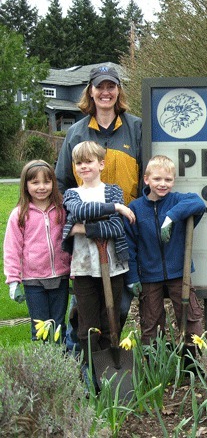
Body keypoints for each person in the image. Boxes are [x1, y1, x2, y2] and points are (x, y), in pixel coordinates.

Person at [55, 65, 142, 352]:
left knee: (119, 300)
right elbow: (63, 181)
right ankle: (77, 357)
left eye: (111, 86)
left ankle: (108, 356)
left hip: (125, 228)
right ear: (90, 92)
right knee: (83, 305)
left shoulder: (136, 128)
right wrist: (74, 224)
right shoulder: (77, 133)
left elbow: (148, 178)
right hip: (85, 237)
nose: (106, 92)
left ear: (118, 92)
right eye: (99, 87)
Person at [61, 141, 138, 357]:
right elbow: (78, 209)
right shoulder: (72, 194)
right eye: (79, 163)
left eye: (89, 161)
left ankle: (109, 371)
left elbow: (115, 227)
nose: (84, 166)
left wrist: (79, 227)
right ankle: (90, 371)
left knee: (110, 319)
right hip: (83, 267)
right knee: (88, 324)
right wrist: (115, 208)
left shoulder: (113, 190)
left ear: (101, 164)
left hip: (113, 265)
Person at [125, 155, 205, 345]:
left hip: (179, 272)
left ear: (173, 181)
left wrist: (170, 218)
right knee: (151, 322)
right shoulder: (135, 208)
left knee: (190, 318)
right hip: (149, 275)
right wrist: (132, 278)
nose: (163, 184)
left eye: (168, 180)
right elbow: (129, 247)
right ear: (146, 179)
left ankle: (192, 362)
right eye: (157, 179)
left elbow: (198, 203)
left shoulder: (177, 201)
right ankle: (155, 365)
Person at [4, 160, 71, 342]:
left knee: (58, 326)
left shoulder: (62, 210)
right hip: (34, 281)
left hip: (60, 277)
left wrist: (74, 269)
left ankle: (60, 367)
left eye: (46, 182)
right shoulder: (20, 214)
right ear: (26, 185)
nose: (41, 187)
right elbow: (12, 249)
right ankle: (41, 367)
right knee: (40, 327)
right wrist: (13, 281)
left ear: (53, 183)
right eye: (35, 182)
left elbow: (71, 241)